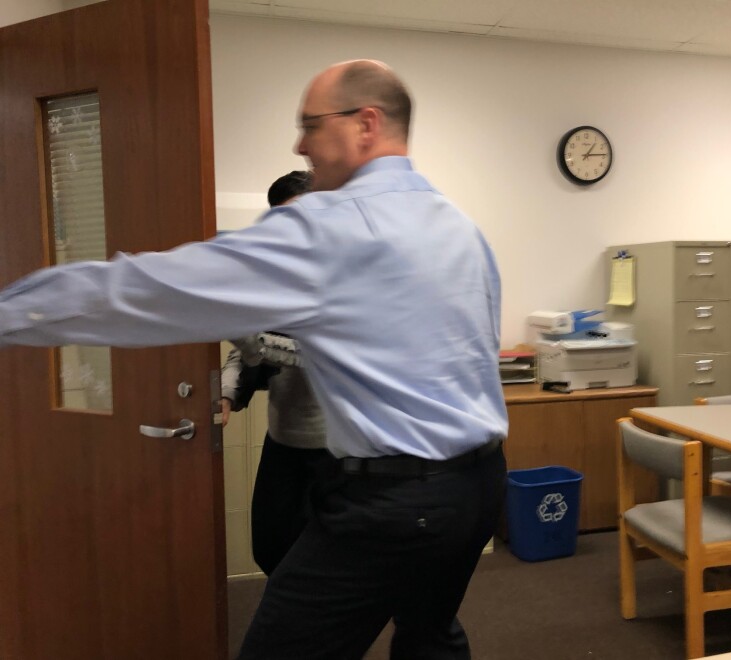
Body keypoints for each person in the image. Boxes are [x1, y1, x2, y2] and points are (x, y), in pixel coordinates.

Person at [0, 59, 508, 659]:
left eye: (310, 124)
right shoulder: (457, 226)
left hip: (396, 506)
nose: (300, 143)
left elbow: (149, 289)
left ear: (365, 124)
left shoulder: (333, 226)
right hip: (478, 486)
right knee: (429, 635)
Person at [220, 170, 332, 577]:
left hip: (339, 449)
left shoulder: (344, 279)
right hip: (284, 441)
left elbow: (318, 354)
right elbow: (246, 347)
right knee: (270, 550)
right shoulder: (270, 280)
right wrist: (227, 392)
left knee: (332, 560)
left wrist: (249, 340)